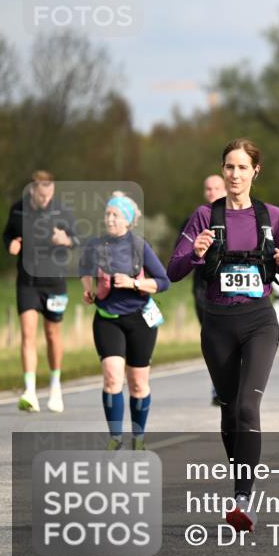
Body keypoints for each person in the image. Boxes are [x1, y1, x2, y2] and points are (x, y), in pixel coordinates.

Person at [168, 138, 279, 533]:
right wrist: (196, 252)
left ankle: (244, 499)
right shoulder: (205, 216)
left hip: (259, 320)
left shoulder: (271, 215)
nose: (235, 175)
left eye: (242, 167)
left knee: (246, 407)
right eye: (229, 167)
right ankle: (240, 488)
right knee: (228, 411)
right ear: (222, 171)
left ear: (255, 171)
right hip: (218, 323)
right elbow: (173, 271)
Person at [79, 192, 170, 450]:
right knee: (111, 377)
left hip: (140, 320)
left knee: (138, 384)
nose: (109, 219)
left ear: (128, 220)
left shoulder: (139, 246)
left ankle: (138, 438)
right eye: (107, 214)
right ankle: (115, 438)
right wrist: (89, 289)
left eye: (115, 215)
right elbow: (84, 269)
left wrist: (134, 283)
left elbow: (164, 282)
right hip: (107, 318)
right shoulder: (95, 245)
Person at [2, 170, 79, 413]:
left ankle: (55, 388)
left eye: (49, 194)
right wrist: (10, 244)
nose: (46, 199)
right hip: (27, 282)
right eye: (42, 195)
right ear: (32, 190)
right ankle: (30, 391)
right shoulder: (18, 209)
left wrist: (65, 240)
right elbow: (8, 234)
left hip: (55, 282)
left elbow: (78, 239)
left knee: (52, 335)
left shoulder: (62, 211)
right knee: (27, 334)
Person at [184, 175, 228, 405]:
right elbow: (179, 257)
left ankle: (234, 383)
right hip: (203, 288)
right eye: (208, 189)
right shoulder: (195, 219)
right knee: (214, 340)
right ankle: (218, 386)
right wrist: (195, 251)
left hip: (232, 288)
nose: (212, 192)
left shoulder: (239, 217)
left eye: (216, 188)